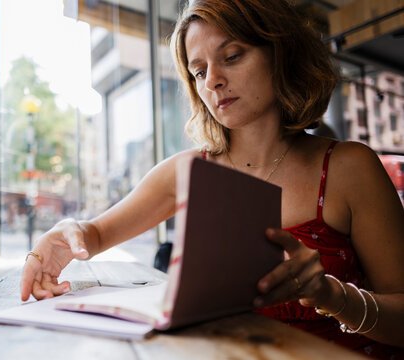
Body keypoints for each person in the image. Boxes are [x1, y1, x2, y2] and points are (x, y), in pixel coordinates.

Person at [21, 0, 404, 356]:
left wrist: (333, 296)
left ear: (280, 53)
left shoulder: (350, 168)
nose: (213, 81)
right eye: (199, 71)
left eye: (232, 56)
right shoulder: (188, 171)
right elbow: (95, 234)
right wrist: (65, 234)